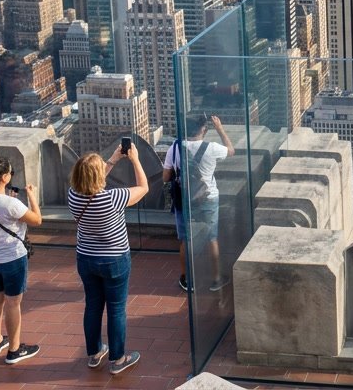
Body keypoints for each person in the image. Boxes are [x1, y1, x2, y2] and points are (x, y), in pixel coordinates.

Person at [68, 145, 148, 375]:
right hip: (114, 259)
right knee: (116, 309)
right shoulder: (113, 198)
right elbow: (144, 187)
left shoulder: (73, 195)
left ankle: (94, 353)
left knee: (92, 305)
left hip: (86, 258)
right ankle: (118, 359)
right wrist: (135, 160)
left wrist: (113, 158)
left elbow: (90, 178)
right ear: (97, 176)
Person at [0, 157, 41, 364]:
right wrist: (31, 195)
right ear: (4, 178)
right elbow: (37, 219)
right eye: (10, 173)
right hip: (11, 258)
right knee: (13, 303)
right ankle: (14, 349)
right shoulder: (11, 204)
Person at [162, 114, 233, 292]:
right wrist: (220, 129)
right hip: (208, 197)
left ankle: (187, 280)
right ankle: (216, 279)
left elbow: (165, 176)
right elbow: (231, 151)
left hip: (184, 199)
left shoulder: (175, 147)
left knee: (185, 240)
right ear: (204, 129)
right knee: (211, 238)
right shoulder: (212, 148)